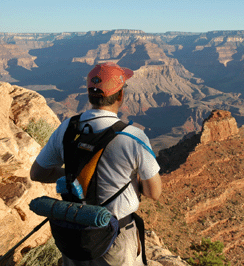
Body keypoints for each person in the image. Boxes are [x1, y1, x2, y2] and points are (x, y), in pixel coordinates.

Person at [30, 62, 162, 266]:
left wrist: (75, 175)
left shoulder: (67, 127)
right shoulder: (133, 137)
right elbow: (154, 193)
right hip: (115, 237)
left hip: (73, 234)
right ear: (120, 96)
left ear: (90, 95)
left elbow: (37, 173)